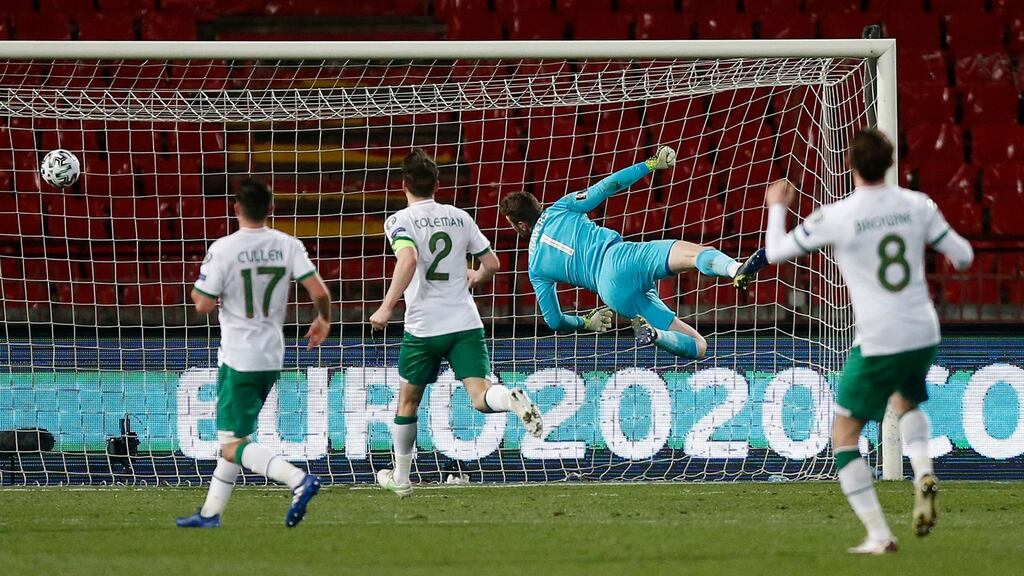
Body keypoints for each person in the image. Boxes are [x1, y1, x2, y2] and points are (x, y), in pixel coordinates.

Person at [762, 128, 974, 554]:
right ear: (891, 162)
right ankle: (924, 473)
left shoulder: (837, 215)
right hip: (923, 331)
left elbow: (775, 252)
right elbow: (965, 256)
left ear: (851, 165)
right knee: (904, 401)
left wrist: (777, 208)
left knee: (843, 436)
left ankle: (879, 535)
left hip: (879, 337)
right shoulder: (918, 205)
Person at [369, 148, 544, 498]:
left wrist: (387, 307)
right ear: (437, 183)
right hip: (465, 322)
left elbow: (409, 258)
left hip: (424, 327)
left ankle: (401, 479)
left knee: (408, 402)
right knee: (480, 397)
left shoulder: (399, 221)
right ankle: (510, 399)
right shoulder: (459, 217)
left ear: (403, 184)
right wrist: (474, 276)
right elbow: (492, 263)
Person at [499, 145, 767, 359]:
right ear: (537, 206)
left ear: (521, 225)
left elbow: (554, 321)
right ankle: (735, 269)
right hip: (620, 258)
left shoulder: (534, 266)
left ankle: (656, 336)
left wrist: (585, 322)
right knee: (695, 255)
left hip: (611, 293)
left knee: (699, 345)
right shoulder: (559, 208)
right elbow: (607, 186)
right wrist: (650, 164)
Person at [176, 178, 332, 528]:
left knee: (231, 446)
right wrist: (324, 319)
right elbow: (319, 290)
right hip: (272, 356)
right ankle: (210, 513)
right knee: (238, 436)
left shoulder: (225, 249)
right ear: (271, 209)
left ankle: (298, 480)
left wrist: (208, 292)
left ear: (236, 209)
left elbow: (202, 304)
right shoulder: (287, 245)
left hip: (239, 357)